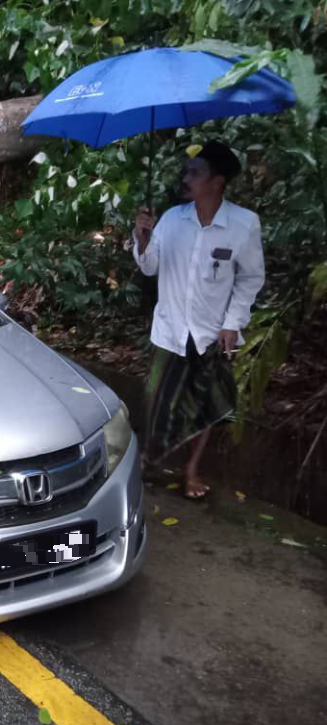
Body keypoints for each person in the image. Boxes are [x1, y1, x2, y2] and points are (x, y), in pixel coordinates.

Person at [133, 141, 265, 498]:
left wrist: (233, 321)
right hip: (170, 330)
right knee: (157, 400)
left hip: (212, 332)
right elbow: (150, 266)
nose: (186, 177)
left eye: (196, 172)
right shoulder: (173, 219)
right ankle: (150, 459)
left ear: (217, 182)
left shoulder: (243, 225)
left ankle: (191, 471)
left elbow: (250, 278)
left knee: (203, 404)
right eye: (188, 171)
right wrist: (142, 239)